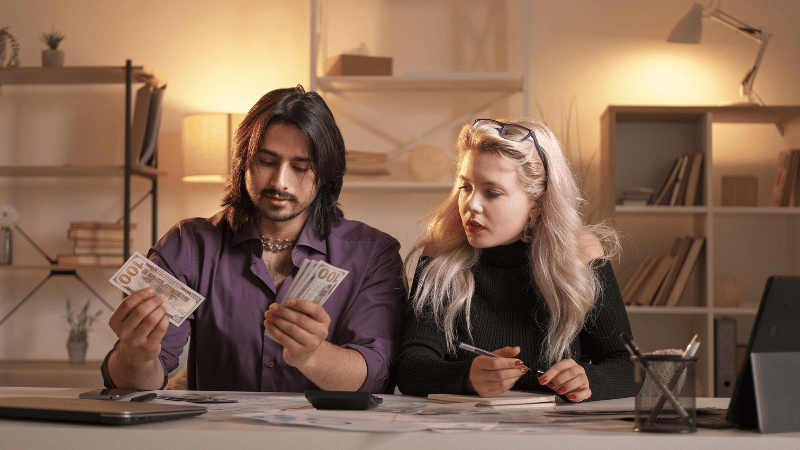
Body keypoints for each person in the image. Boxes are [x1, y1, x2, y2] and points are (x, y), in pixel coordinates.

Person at [102, 85, 406, 393]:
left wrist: (312, 355)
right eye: (266, 161)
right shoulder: (190, 245)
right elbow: (137, 383)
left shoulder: (373, 254)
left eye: (300, 167)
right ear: (243, 161)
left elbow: (376, 377)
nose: (279, 182)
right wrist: (136, 357)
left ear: (326, 175)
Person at [396, 118, 637, 402]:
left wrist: (590, 379)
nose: (471, 204)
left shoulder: (580, 255)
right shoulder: (441, 255)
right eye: (465, 187)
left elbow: (630, 368)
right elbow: (409, 366)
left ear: (537, 202)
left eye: (492, 192)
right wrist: (467, 377)